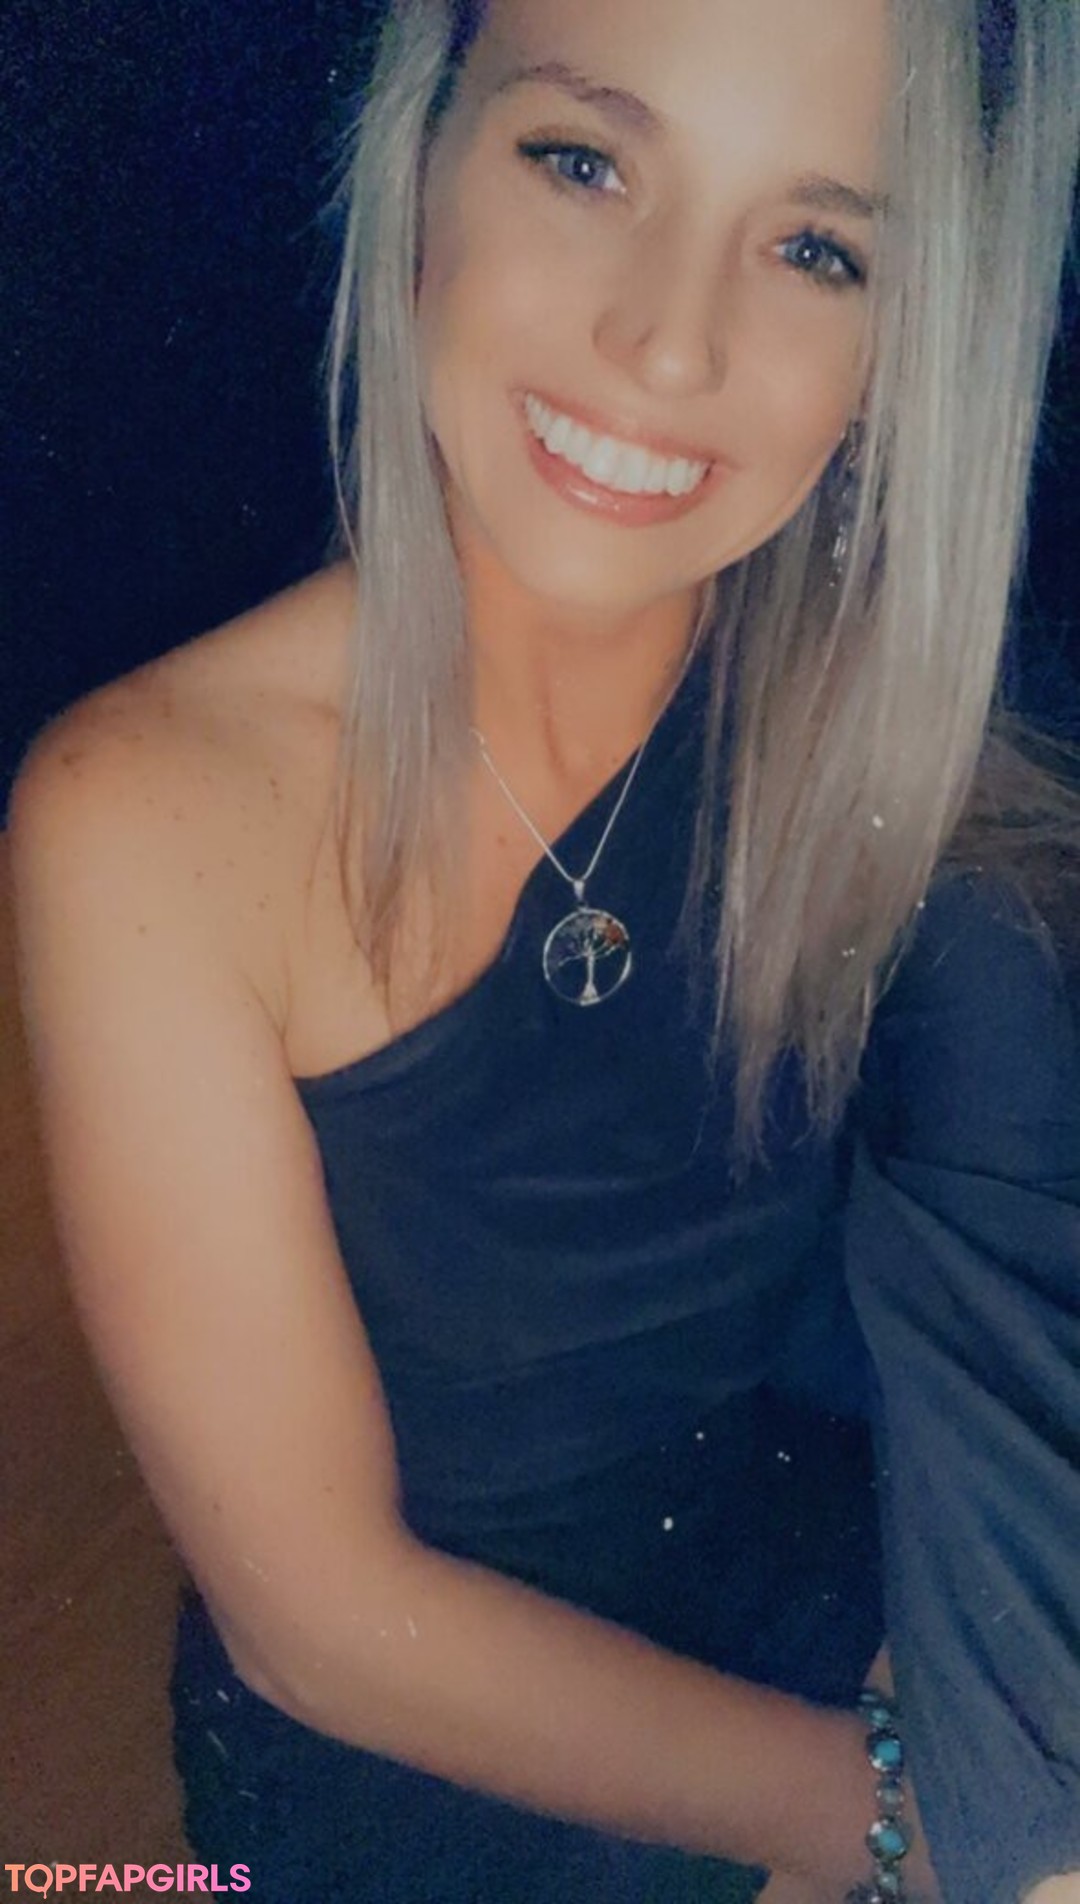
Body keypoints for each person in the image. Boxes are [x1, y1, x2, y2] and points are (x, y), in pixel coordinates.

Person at [10, 0, 1080, 1899]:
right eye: (582, 162)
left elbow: (1005, 1238)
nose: (670, 341)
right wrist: (900, 1821)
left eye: (817, 249)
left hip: (818, 1592)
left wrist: (967, 1724)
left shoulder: (861, 731)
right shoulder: (150, 816)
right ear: (420, 160)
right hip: (430, 1772)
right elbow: (321, 1621)